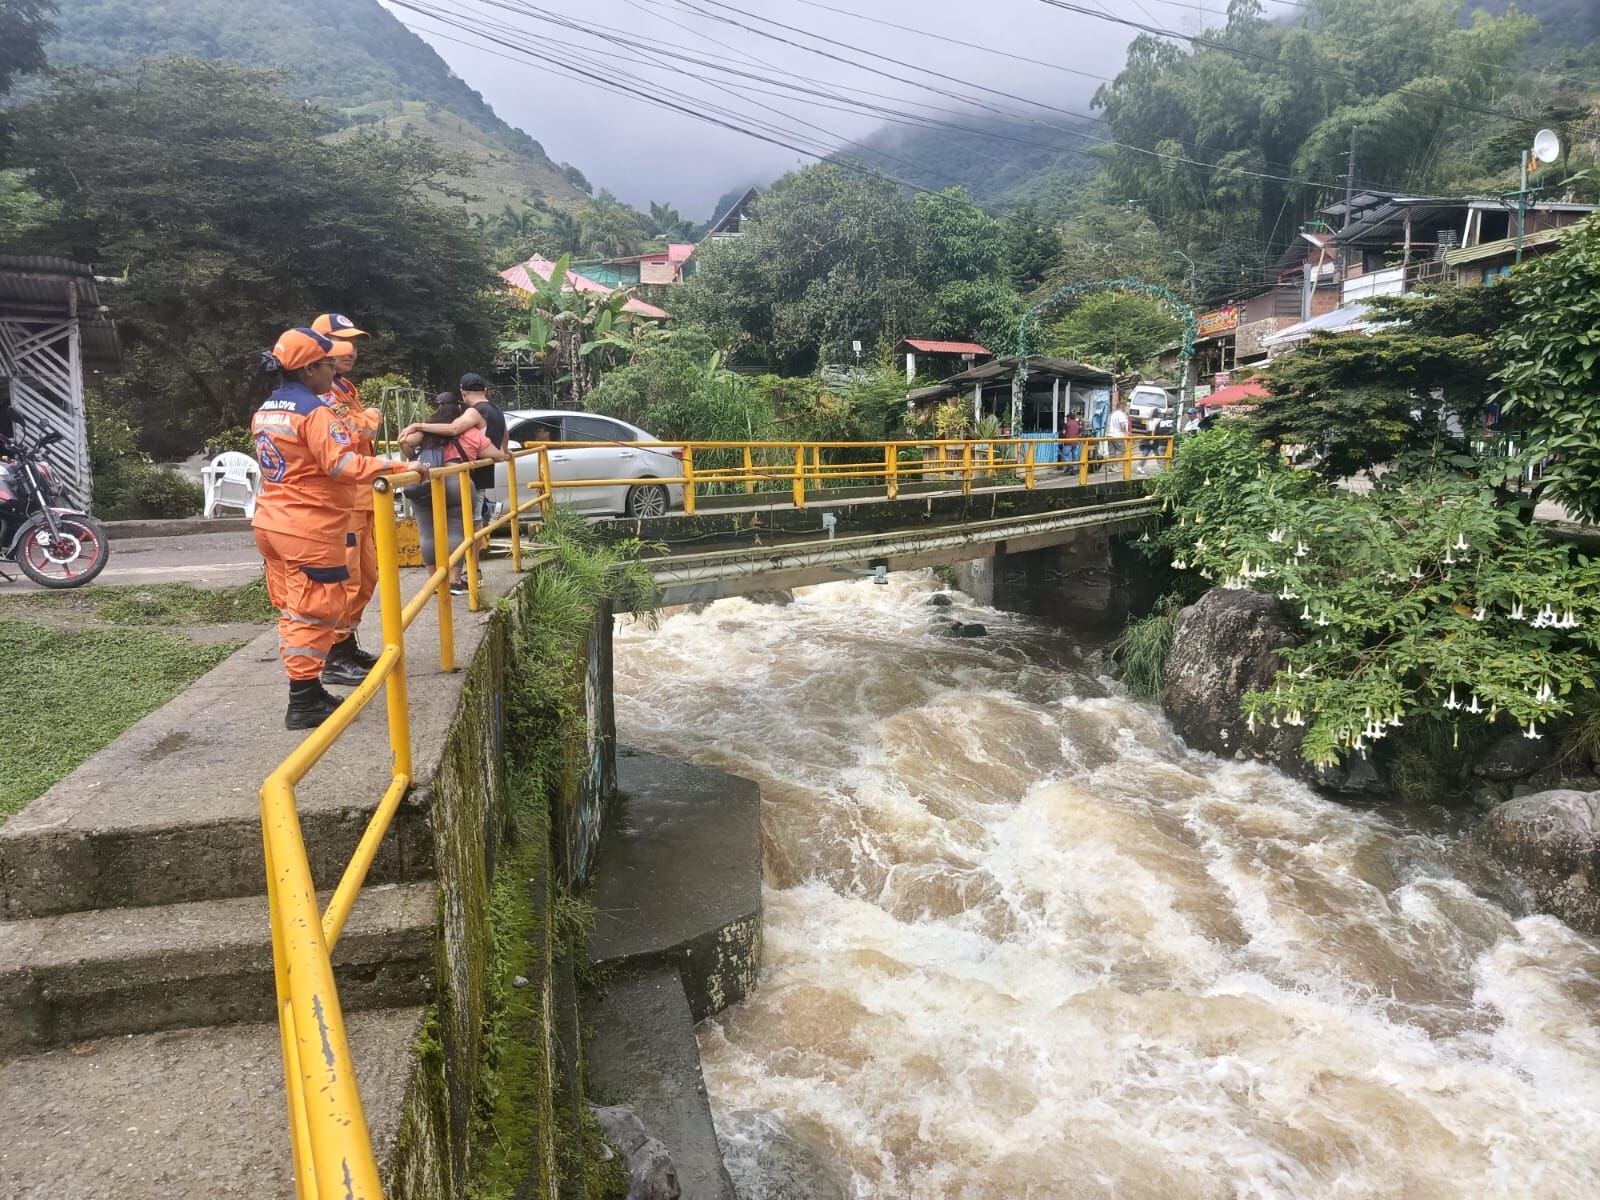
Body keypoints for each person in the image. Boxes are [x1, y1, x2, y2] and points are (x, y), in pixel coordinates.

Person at [251, 328, 426, 729]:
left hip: (272, 521)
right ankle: (304, 700)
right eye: (329, 364)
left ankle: (308, 692)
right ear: (310, 368)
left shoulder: (266, 409)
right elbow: (342, 466)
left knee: (293, 610)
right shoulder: (313, 412)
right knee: (313, 613)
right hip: (308, 526)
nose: (334, 371)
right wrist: (402, 468)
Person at [310, 314, 382, 686]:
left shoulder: (344, 388)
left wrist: (362, 417)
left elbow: (358, 427)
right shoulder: (319, 392)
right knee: (347, 579)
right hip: (342, 502)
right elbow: (359, 428)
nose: (351, 349)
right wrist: (369, 416)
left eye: (354, 341)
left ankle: (347, 643)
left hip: (362, 497)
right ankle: (334, 655)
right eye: (341, 341)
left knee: (367, 577)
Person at [399, 392, 506, 595]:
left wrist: (415, 454)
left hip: (425, 481)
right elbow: (497, 455)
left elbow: (405, 442)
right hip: (456, 481)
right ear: (460, 410)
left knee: (427, 532)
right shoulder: (470, 433)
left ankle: (434, 582)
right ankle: (454, 580)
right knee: (457, 530)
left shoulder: (427, 430)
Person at [400, 372, 506, 525]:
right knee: (470, 524)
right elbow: (505, 436)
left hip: (468, 478)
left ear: (463, 393)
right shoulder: (496, 410)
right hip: (483, 474)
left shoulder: (474, 412)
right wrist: (505, 451)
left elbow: (453, 429)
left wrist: (418, 426)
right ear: (486, 390)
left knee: (465, 524)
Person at [1105, 397, 1131, 473]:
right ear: (1123, 406)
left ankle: (1110, 468)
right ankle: (1114, 465)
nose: (1126, 408)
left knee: (1111, 452)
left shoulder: (1113, 414)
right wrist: (1126, 432)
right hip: (1118, 435)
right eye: (1126, 407)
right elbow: (1122, 425)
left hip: (1110, 435)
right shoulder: (1121, 414)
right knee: (1122, 451)